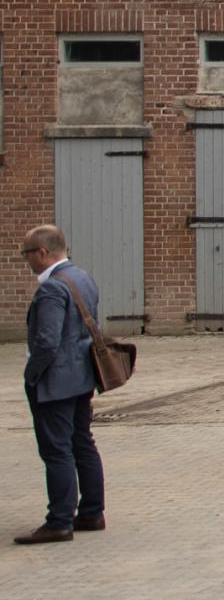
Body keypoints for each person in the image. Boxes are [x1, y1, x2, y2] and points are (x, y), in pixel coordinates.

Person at [19, 225, 105, 543]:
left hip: (55, 382)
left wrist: (32, 375)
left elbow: (47, 342)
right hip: (82, 377)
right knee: (82, 443)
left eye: (26, 254)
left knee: (57, 450)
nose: (25, 260)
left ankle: (59, 521)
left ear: (42, 252)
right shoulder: (82, 277)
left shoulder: (52, 288)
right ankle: (92, 512)